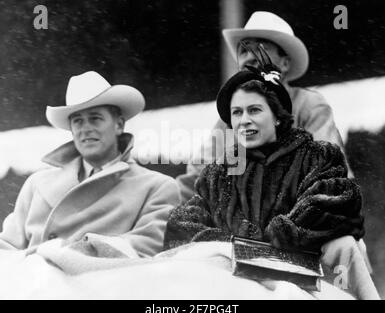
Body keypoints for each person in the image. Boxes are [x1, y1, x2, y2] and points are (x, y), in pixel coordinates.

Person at [164, 59, 364, 254]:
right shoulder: (218, 174)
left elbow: (336, 207)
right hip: (234, 275)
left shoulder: (316, 158)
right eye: (236, 113)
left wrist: (279, 235)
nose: (244, 121)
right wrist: (231, 244)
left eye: (254, 110)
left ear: (277, 116)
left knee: (344, 246)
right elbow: (181, 225)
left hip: (303, 274)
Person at [0, 71, 180, 257]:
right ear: (71, 130)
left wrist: (71, 253)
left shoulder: (156, 187)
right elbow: (8, 246)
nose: (85, 129)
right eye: (78, 121)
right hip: (32, 281)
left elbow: (146, 247)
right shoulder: (37, 183)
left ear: (119, 125)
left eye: (95, 118)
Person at [177, 11, 350, 203]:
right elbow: (196, 177)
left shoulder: (309, 105)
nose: (250, 57)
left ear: (284, 63)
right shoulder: (230, 118)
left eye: (261, 49)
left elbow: (330, 171)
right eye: (243, 51)